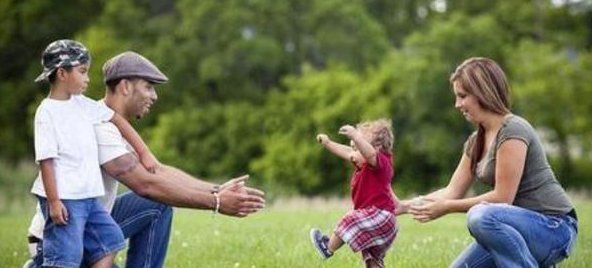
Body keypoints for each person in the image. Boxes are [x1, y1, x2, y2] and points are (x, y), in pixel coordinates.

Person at [25, 50, 266, 268]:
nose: (155, 96)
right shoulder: (96, 126)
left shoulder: (111, 122)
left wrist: (216, 190)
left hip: (87, 225)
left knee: (158, 205)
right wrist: (216, 203)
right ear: (125, 87)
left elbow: (157, 172)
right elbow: (146, 185)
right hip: (61, 232)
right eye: (149, 86)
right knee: (155, 197)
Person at [399, 57, 578, 267]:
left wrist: (447, 207)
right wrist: (402, 206)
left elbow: (502, 197)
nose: (457, 105)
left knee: (480, 216)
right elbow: (451, 191)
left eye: (462, 96)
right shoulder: (476, 141)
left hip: (553, 228)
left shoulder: (513, 129)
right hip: (513, 232)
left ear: (482, 92)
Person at [31, 40, 159, 268]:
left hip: (88, 197)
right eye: (82, 72)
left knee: (110, 240)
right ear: (62, 73)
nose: (88, 79)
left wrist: (144, 152)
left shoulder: (82, 104)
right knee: (65, 258)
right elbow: (46, 161)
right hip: (65, 197)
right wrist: (53, 201)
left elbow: (116, 119)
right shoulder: (47, 112)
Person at [310, 119, 398, 268]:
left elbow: (369, 154)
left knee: (350, 218)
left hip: (380, 216)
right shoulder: (364, 163)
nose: (353, 153)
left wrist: (356, 136)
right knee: (371, 259)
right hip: (379, 221)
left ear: (376, 147)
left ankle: (327, 247)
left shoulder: (381, 163)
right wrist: (328, 143)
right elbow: (347, 152)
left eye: (357, 148)